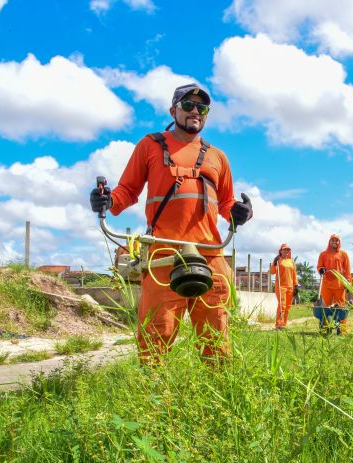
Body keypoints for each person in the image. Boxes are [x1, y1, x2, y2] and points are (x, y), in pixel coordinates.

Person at [89, 83, 253, 364]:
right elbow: (127, 191)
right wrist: (108, 201)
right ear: (173, 110)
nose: (195, 112)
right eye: (188, 105)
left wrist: (239, 212)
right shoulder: (150, 146)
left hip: (209, 255)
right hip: (163, 257)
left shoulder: (218, 157)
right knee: (155, 335)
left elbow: (226, 202)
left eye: (202, 108)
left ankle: (217, 399)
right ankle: (154, 402)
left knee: (216, 336)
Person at [316, 234, 352, 330]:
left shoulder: (343, 254)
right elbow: (319, 266)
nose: (335, 242)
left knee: (341, 308)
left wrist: (348, 283)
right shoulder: (323, 254)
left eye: (337, 240)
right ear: (329, 242)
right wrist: (321, 269)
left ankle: (342, 328)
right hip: (326, 285)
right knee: (326, 307)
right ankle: (325, 327)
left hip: (339, 285)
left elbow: (347, 270)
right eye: (333, 240)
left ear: (339, 242)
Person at [270, 243, 298, 330]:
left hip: (290, 286)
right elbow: (272, 272)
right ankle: (279, 325)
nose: (286, 251)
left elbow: (294, 274)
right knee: (282, 305)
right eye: (284, 249)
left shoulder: (291, 261)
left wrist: (296, 285)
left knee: (288, 306)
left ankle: (284, 324)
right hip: (280, 286)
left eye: (288, 250)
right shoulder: (278, 261)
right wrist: (274, 263)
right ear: (281, 251)